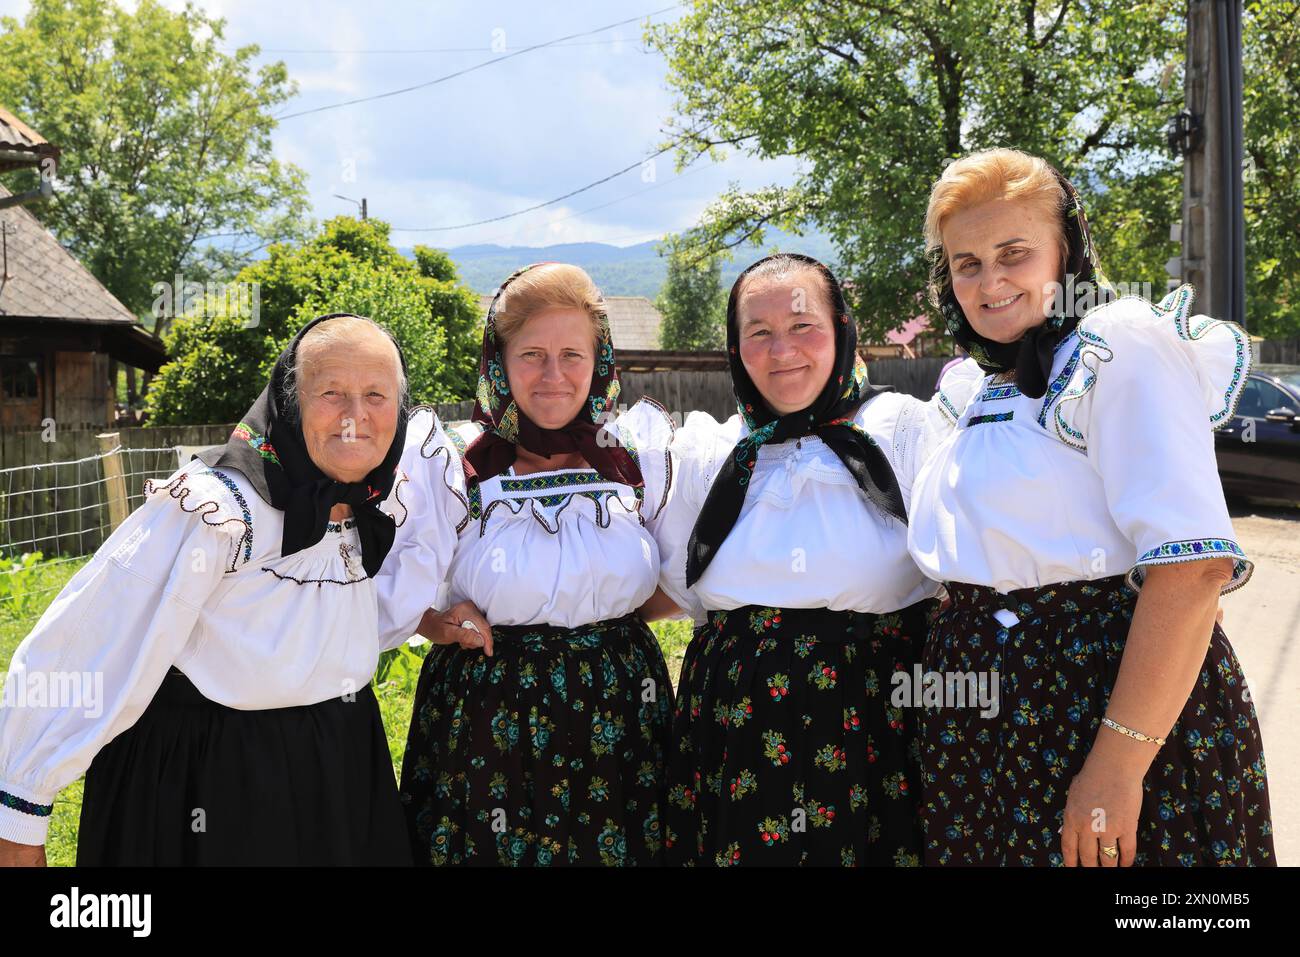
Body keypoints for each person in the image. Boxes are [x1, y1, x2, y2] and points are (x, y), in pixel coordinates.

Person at [908, 147, 1274, 866]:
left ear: (1066, 251)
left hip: (1097, 706)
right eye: (967, 263)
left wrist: (1118, 764)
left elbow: (1193, 568)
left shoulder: (1119, 346)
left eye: (1015, 252)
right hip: (982, 723)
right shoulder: (973, 390)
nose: (991, 280)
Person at [0, 313, 465, 865]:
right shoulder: (215, 509)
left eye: (376, 395)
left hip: (340, 764)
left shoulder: (378, 502)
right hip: (210, 780)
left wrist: (427, 618)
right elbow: (86, 642)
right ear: (290, 402)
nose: (354, 417)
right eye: (331, 393)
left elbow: (356, 611)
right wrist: (19, 815)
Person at [652, 253, 983, 866]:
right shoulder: (710, 453)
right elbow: (674, 586)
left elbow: (966, 573)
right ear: (735, 347)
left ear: (842, 330)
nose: (783, 351)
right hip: (738, 719)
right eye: (759, 333)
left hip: (880, 711)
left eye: (803, 325)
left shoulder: (905, 432)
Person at [398, 263, 676, 866]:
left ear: (599, 361)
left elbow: (682, 578)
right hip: (491, 717)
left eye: (573, 354)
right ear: (497, 363)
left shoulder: (636, 460)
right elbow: (393, 585)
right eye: (532, 354)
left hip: (621, 710)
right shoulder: (450, 464)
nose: (554, 376)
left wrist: (605, 621)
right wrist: (441, 622)